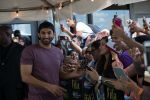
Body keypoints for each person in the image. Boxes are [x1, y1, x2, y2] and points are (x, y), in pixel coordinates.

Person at [20, 21, 84, 100]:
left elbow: (60, 74)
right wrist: (49, 86)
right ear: (38, 35)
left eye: (49, 33)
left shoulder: (58, 52)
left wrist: (75, 74)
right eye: (43, 33)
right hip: (37, 97)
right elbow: (25, 77)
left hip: (56, 96)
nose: (46, 36)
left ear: (54, 34)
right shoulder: (29, 51)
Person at [0, 25, 25, 100]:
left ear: (8, 35)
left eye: (0, 34)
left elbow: (25, 71)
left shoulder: (21, 50)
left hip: (15, 90)